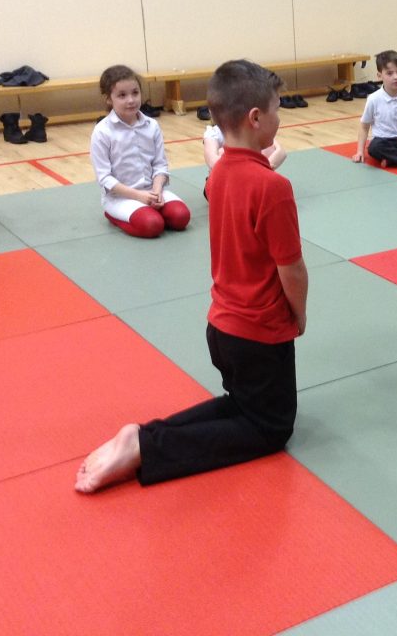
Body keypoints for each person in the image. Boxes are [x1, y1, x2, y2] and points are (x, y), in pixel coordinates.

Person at [76, 59, 308, 492]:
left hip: (221, 328)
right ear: (256, 118)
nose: (280, 118)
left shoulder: (218, 176)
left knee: (242, 406)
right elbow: (290, 267)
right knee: (270, 428)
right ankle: (147, 449)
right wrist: (299, 313)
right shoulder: (273, 187)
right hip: (259, 332)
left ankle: (142, 436)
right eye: (277, 109)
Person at [90, 65, 191, 238]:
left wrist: (157, 190)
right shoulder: (102, 132)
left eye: (135, 93)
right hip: (120, 197)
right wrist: (139, 196)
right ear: (108, 99)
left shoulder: (152, 126)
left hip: (151, 192)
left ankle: (149, 211)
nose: (131, 100)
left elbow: (160, 164)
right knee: (152, 225)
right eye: (122, 95)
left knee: (181, 217)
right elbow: (104, 178)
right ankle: (113, 215)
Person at [203, 123, 286, 171]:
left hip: (252, 175)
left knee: (268, 148)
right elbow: (213, 163)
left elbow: (281, 152)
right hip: (224, 180)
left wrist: (265, 168)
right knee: (224, 153)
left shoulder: (251, 127)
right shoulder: (213, 133)